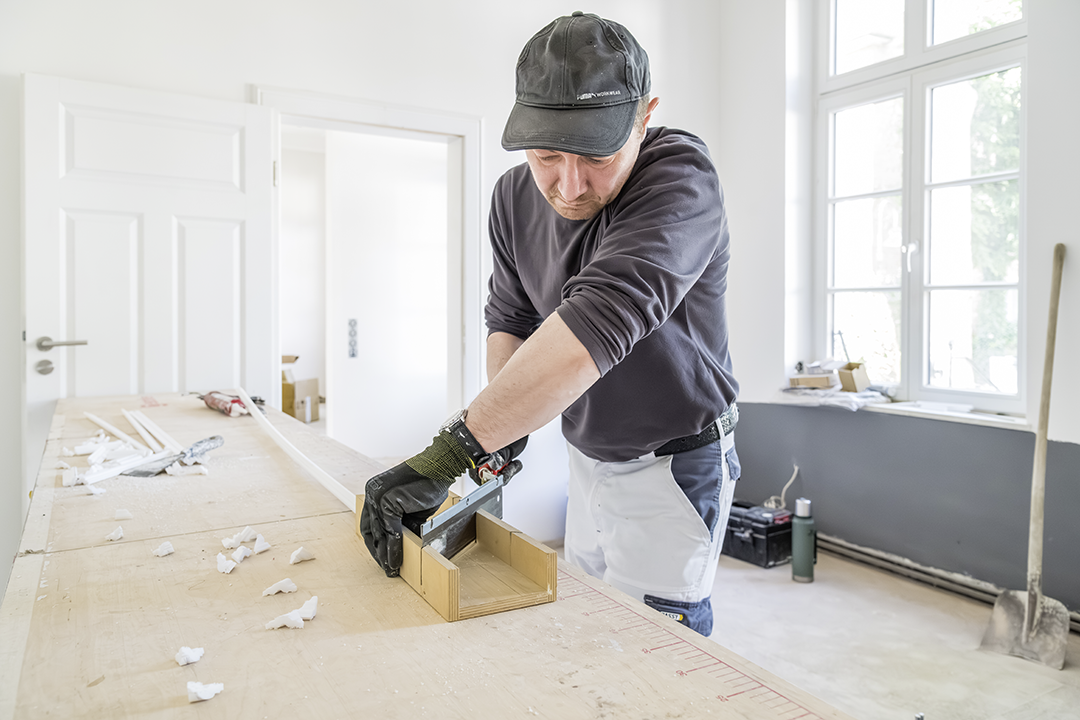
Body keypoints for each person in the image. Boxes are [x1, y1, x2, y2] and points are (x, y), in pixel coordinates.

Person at [361, 11, 739, 637]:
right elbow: (511, 319)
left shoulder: (680, 181)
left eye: (597, 155)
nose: (568, 185)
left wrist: (449, 455)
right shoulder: (513, 197)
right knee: (595, 616)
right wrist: (500, 432)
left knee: (654, 641)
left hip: (675, 460)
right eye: (546, 156)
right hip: (586, 451)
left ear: (644, 117)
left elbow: (599, 320)